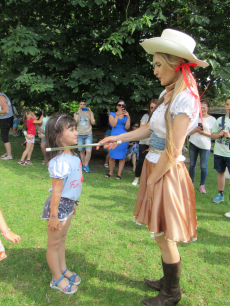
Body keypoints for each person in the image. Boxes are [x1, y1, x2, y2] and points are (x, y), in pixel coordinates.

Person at [99, 28, 208, 305]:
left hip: (166, 172)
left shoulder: (185, 98)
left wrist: (150, 181)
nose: (156, 71)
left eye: (159, 64)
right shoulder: (167, 93)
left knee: (163, 234)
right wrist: (118, 137)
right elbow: (148, 129)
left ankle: (172, 293)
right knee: (159, 233)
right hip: (154, 165)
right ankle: (167, 282)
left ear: (175, 63)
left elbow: (173, 150)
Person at [41, 114, 83, 295]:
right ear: (58, 136)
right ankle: (56, 278)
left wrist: (73, 202)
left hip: (68, 204)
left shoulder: (73, 156)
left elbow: (71, 186)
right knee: (54, 244)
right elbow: (57, 192)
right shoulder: (59, 162)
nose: (76, 132)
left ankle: (63, 269)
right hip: (57, 208)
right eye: (71, 129)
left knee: (62, 240)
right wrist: (53, 216)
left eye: (75, 128)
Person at [188, 101, 216, 193]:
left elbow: (213, 135)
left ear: (208, 108)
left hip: (205, 146)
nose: (202, 109)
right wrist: (195, 130)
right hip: (193, 143)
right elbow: (188, 133)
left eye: (204, 107)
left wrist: (203, 132)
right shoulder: (194, 117)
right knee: (192, 164)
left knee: (203, 166)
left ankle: (202, 186)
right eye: (201, 107)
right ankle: (190, 183)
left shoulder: (212, 119)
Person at [132, 100, 157, 185]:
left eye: (154, 107)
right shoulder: (145, 116)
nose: (153, 109)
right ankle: (136, 178)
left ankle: (150, 180)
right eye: (151, 107)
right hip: (144, 141)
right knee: (141, 161)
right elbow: (142, 128)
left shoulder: (160, 117)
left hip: (154, 143)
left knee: (153, 162)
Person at [105, 99, 130, 179]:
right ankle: (110, 172)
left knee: (122, 157)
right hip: (114, 137)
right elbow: (113, 124)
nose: (121, 107)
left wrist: (128, 117)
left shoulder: (127, 115)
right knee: (112, 156)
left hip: (123, 138)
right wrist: (117, 115)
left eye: (123, 105)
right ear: (116, 106)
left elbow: (127, 127)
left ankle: (119, 174)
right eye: (119, 105)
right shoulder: (112, 114)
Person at [211, 97, 230, 203]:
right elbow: (212, 134)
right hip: (219, 152)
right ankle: (220, 194)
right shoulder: (220, 120)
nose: (229, 107)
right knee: (220, 172)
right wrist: (219, 135)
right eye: (227, 104)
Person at [73, 99, 95, 173]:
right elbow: (74, 123)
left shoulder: (90, 112)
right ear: (79, 105)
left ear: (86, 105)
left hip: (88, 134)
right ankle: (83, 165)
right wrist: (78, 113)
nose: (82, 106)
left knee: (88, 150)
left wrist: (91, 114)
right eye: (81, 104)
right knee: (81, 151)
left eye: (84, 104)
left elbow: (93, 122)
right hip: (79, 134)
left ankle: (86, 165)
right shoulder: (76, 113)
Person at [0, 92, 14, 160]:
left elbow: (6, 110)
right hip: (4, 118)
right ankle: (7, 153)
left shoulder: (1, 97)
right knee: (4, 136)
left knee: (4, 136)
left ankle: (9, 155)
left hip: (6, 119)